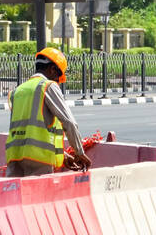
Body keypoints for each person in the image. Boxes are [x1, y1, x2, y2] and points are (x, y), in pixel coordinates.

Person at [6, 47, 92, 176]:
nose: (57, 82)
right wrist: (79, 152)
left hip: (15, 155)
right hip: (38, 159)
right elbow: (69, 122)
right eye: (58, 77)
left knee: (15, 195)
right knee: (38, 196)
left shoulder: (18, 90)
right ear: (52, 70)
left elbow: (29, 131)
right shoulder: (47, 86)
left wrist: (64, 155)